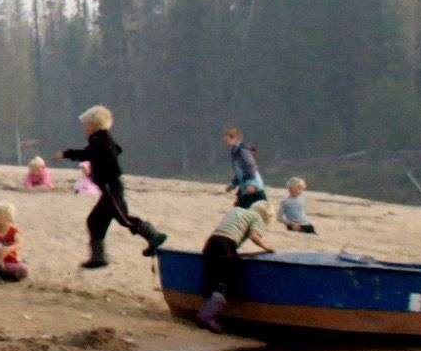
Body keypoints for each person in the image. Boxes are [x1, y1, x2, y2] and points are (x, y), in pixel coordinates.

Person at [57, 105, 168, 269]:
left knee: (124, 218)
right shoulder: (103, 140)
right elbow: (115, 150)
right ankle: (98, 257)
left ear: (95, 124)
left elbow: (89, 153)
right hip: (108, 189)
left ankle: (154, 236)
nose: (85, 128)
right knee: (95, 221)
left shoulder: (99, 140)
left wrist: (66, 154)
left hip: (112, 188)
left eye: (87, 124)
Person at [195, 199, 278, 332]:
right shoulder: (257, 217)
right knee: (227, 281)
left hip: (211, 243)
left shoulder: (236, 210)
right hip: (226, 244)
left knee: (212, 277)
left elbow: (229, 230)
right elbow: (254, 236)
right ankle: (207, 316)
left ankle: (205, 310)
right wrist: (268, 248)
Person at [0, 202, 28, 281]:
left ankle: (7, 274)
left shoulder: (14, 232)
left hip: (9, 262)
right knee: (22, 268)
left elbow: (19, 244)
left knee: (23, 270)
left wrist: (9, 248)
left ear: (6, 218)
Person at [224, 127, 265, 207]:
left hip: (253, 187)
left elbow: (250, 166)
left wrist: (251, 184)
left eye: (227, 139)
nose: (226, 142)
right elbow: (240, 171)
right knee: (240, 210)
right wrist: (233, 184)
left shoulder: (242, 150)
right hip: (245, 187)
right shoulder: (234, 151)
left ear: (235, 138)